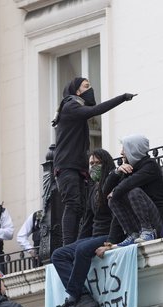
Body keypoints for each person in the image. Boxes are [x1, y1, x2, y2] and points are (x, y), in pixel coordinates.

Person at [52, 77, 135, 246]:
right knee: (73, 204)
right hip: (68, 167)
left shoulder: (70, 107)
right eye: (86, 86)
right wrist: (122, 97)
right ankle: (68, 245)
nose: (91, 90)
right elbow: (96, 110)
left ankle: (74, 243)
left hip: (74, 167)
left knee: (80, 207)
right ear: (77, 91)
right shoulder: (70, 105)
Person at [49, 149, 121, 307]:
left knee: (81, 249)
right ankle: (82, 296)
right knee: (59, 255)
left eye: (97, 163)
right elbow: (88, 221)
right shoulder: (93, 189)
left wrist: (110, 241)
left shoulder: (113, 183)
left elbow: (117, 216)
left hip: (108, 235)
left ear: (106, 164)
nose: (93, 167)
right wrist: (73, 245)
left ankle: (73, 296)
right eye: (91, 164)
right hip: (93, 236)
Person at [108, 134, 163, 247]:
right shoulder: (129, 168)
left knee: (133, 191)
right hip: (139, 226)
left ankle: (148, 232)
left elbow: (130, 183)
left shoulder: (150, 165)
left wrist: (115, 191)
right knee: (113, 199)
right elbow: (106, 193)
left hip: (159, 222)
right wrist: (116, 172)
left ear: (134, 149)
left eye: (124, 149)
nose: (121, 153)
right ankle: (133, 234)